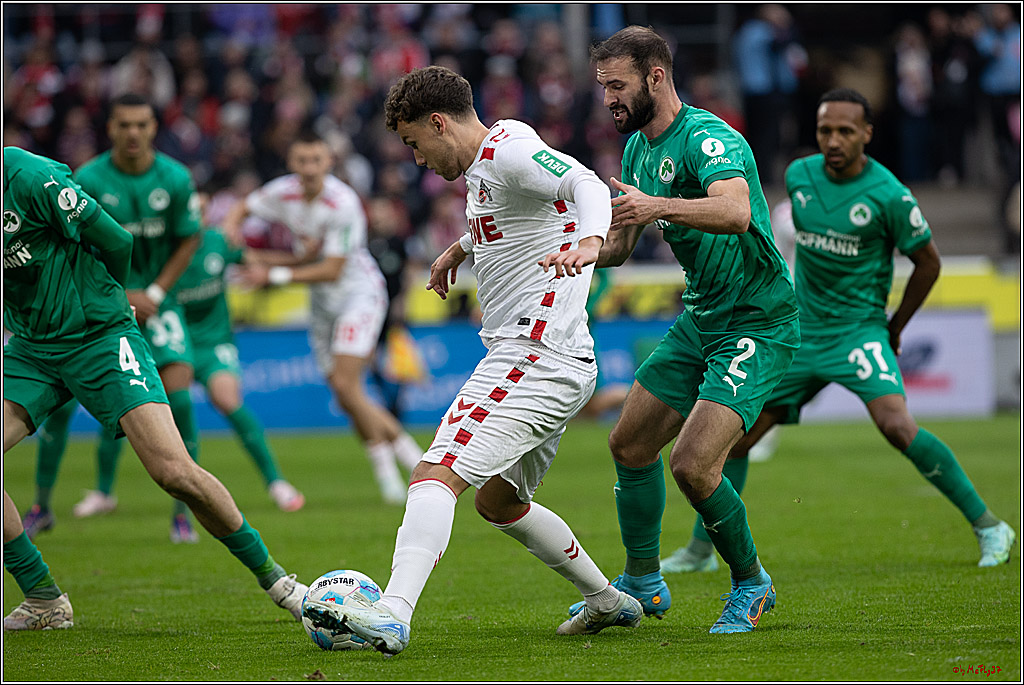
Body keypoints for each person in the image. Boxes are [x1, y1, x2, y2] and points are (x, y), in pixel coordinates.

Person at [303, 65, 642, 656]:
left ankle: (392, 613)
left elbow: (585, 186)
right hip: (561, 359)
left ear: (438, 123)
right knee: (499, 501)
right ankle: (607, 601)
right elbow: (518, 215)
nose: (415, 159)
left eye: (414, 142)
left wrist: (591, 240)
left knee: (435, 474)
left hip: (531, 355)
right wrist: (460, 248)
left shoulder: (508, 149)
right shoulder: (488, 163)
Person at [664, 88, 1016, 573]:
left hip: (858, 332)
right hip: (798, 331)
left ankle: (989, 526)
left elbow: (928, 264)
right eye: (825, 130)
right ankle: (702, 551)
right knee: (739, 439)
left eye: (845, 131)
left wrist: (894, 326)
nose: (833, 140)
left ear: (867, 134)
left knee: (896, 425)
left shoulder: (889, 196)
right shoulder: (800, 176)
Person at [3, 146, 307, 630]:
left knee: (173, 472)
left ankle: (279, 583)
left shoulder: (30, 177)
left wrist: (114, 306)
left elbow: (117, 241)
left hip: (98, 336)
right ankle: (43, 597)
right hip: (31, 346)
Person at [583, 26, 801, 634]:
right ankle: (644, 582)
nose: (608, 100)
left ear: (656, 76)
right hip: (703, 316)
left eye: (617, 86)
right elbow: (621, 247)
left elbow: (734, 212)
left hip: (756, 318)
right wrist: (562, 251)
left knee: (694, 465)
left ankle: (752, 583)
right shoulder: (636, 151)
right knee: (628, 444)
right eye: (603, 88)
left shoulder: (708, 138)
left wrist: (660, 206)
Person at [24, 93, 209, 544]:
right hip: (97, 304)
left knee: (180, 399)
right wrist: (122, 293)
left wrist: (157, 292)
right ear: (110, 128)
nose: (133, 133)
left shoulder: (175, 178)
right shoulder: (86, 178)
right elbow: (78, 246)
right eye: (124, 124)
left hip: (159, 302)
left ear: (153, 128)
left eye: (141, 124)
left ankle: (183, 513)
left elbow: (190, 238)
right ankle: (42, 506)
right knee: (60, 409)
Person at [224, 130, 423, 506]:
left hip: (358, 295)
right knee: (346, 395)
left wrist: (272, 273)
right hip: (321, 303)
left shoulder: (343, 203)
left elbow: (331, 269)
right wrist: (232, 230)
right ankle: (389, 477)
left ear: (329, 163)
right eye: (302, 161)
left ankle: (414, 465)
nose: (309, 168)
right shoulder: (282, 192)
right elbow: (242, 208)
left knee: (348, 387)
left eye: (317, 161)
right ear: (291, 163)